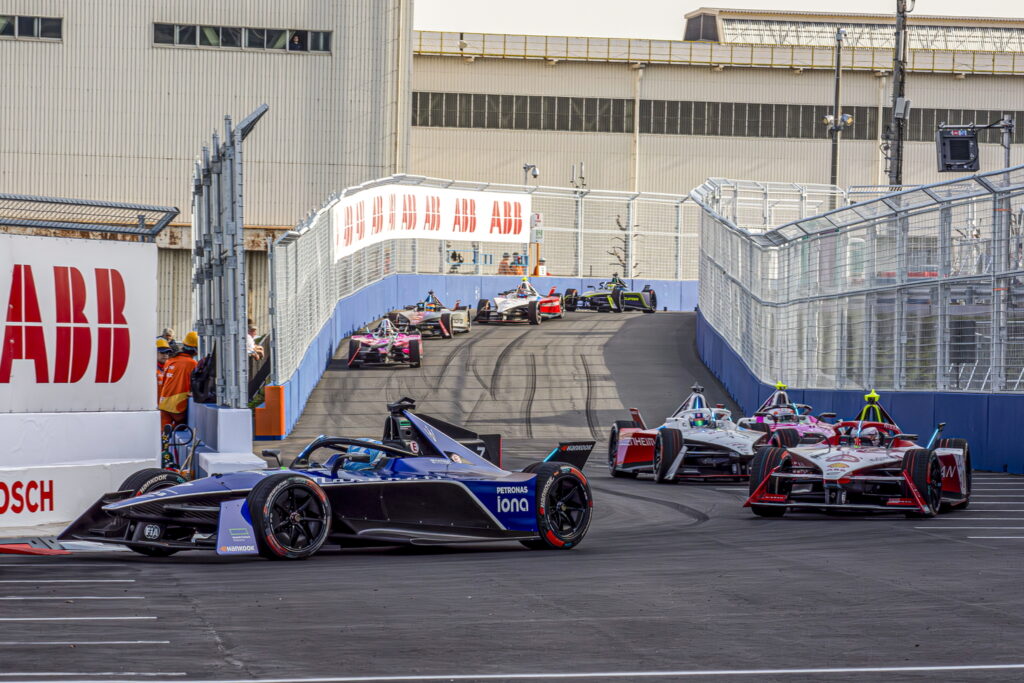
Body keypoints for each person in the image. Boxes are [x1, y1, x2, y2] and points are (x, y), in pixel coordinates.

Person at [159, 331, 199, 428]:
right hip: (178, 406)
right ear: (195, 350)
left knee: (164, 436)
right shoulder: (192, 364)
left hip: (164, 403)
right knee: (181, 434)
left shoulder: (170, 361)